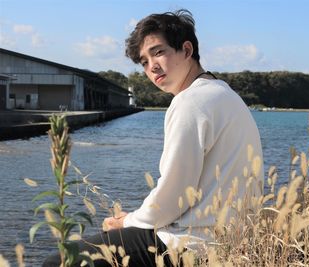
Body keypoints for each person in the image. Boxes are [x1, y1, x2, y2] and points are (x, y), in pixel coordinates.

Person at [44, 9, 264, 267]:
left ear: (186, 50)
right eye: (144, 61)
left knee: (61, 260)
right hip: (232, 239)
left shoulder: (190, 102)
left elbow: (174, 195)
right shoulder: (224, 93)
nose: (152, 67)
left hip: (191, 244)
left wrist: (126, 221)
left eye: (158, 52)